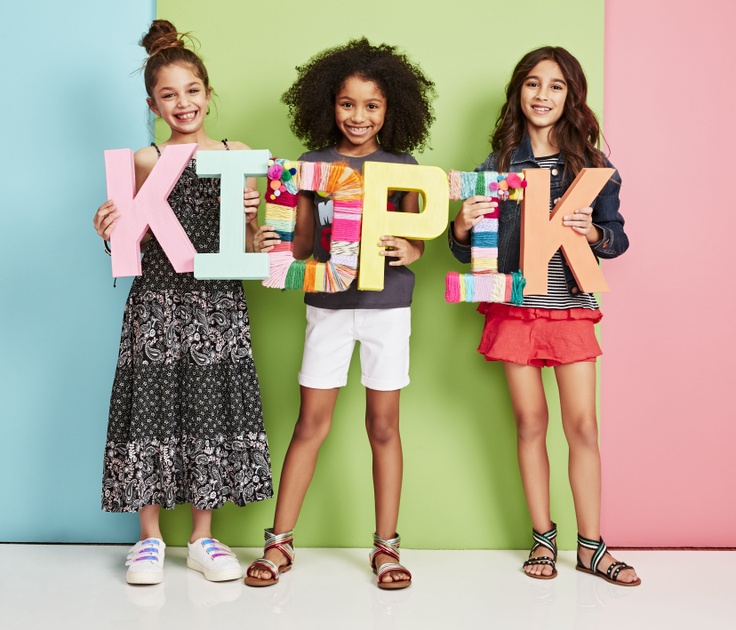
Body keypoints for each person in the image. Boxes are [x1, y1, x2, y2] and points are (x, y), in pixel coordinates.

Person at [244, 38, 436, 590]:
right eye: (348, 103)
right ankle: (280, 543)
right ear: (329, 104)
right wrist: (268, 238)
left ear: (391, 109)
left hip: (386, 307)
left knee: (384, 426)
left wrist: (413, 250)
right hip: (326, 306)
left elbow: (414, 237)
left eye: (372, 105)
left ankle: (386, 548)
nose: (359, 116)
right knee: (311, 423)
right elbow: (302, 245)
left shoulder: (403, 167)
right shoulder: (311, 166)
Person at [449, 46, 640, 586]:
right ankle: (542, 540)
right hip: (515, 310)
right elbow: (467, 253)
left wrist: (594, 233)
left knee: (583, 425)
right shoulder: (497, 167)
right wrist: (461, 226)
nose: (542, 95)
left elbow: (617, 239)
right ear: (518, 93)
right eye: (533, 84)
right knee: (530, 424)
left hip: (570, 310)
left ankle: (592, 546)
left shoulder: (596, 167)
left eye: (555, 86)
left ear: (571, 97)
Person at [93, 19, 272, 586]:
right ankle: (149, 540)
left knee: (208, 410)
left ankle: (202, 536)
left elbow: (248, 248)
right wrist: (110, 229)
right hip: (160, 302)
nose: (183, 103)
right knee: (152, 408)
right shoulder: (145, 161)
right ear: (153, 104)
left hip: (218, 304)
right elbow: (132, 244)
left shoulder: (237, 154)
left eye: (192, 91)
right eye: (169, 95)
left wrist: (251, 221)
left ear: (209, 94)